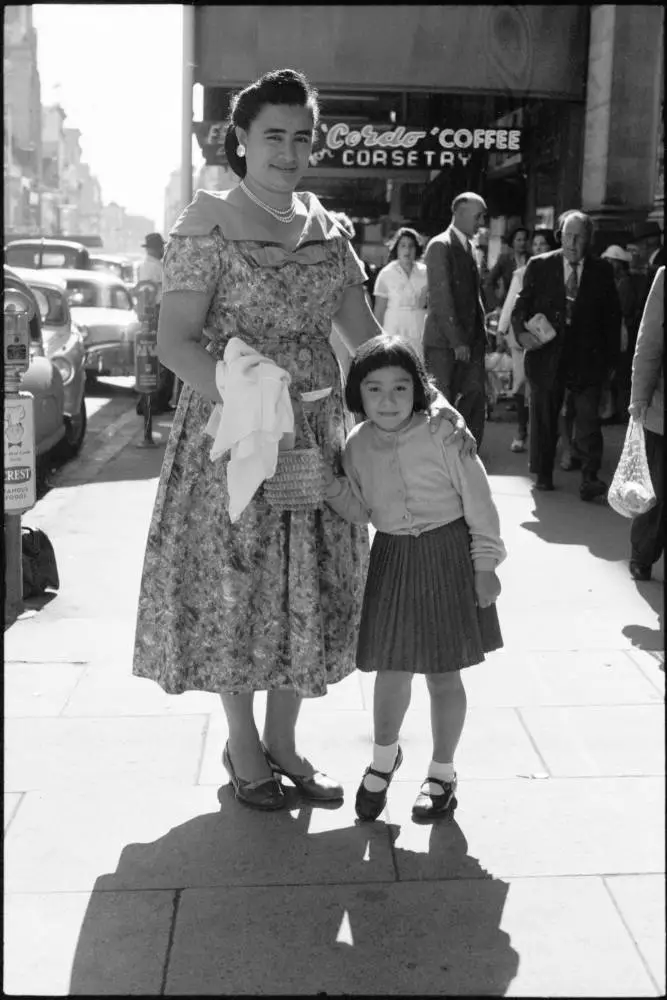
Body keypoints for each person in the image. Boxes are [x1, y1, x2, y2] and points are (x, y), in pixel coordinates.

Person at [132, 68, 474, 813]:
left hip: (316, 434)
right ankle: (243, 744)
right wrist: (256, 399)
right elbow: (174, 343)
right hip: (233, 437)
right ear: (242, 144)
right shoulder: (206, 223)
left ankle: (284, 741)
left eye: (300, 137)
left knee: (306, 587)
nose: (288, 151)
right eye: (272, 136)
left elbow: (367, 338)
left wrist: (433, 399)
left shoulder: (325, 230)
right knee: (235, 587)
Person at [322, 335, 505, 822]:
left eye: (400, 388)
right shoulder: (356, 446)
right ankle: (383, 761)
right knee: (392, 669)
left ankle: (442, 773)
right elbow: (361, 510)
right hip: (394, 559)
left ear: (418, 390)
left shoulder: (446, 433)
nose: (387, 400)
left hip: (449, 557)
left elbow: (479, 501)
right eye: (374, 389)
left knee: (445, 674)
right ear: (357, 394)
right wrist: (332, 487)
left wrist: (485, 566)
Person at [511, 209, 621, 500]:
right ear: (560, 236)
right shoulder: (540, 266)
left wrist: (611, 364)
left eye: (579, 237)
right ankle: (544, 474)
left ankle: (590, 476)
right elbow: (521, 308)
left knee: (587, 419)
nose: (572, 243)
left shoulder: (601, 271)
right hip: (548, 357)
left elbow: (612, 318)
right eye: (567, 236)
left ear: (589, 240)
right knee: (546, 418)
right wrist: (522, 334)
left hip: (587, 359)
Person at [423, 192, 489, 448]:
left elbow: (475, 298)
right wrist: (457, 340)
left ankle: (468, 455)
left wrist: (479, 337)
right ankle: (438, 460)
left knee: (474, 397)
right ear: (459, 213)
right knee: (442, 402)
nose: (481, 222)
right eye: (478, 215)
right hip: (444, 342)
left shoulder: (470, 248)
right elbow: (441, 298)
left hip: (469, 341)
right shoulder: (440, 245)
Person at [497, 228, 557, 453]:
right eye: (537, 244)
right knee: (522, 384)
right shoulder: (522, 273)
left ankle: (548, 438)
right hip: (521, 337)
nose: (540, 248)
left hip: (550, 338)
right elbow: (511, 303)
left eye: (544, 244)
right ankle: (521, 432)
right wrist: (501, 331)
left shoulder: (559, 273)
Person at [627, 266, 664, 581]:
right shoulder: (665, 278)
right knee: (656, 490)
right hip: (663, 409)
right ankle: (643, 553)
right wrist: (639, 398)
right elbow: (649, 344)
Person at [372, 227, 428, 358]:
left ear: (417, 249)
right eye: (403, 246)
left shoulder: (426, 272)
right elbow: (379, 312)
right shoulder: (386, 274)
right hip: (393, 330)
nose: (407, 250)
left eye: (411, 246)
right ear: (396, 248)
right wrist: (376, 342)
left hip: (419, 330)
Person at [600, 245, 636, 422]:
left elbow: (623, 308)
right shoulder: (613, 281)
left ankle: (617, 410)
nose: (608, 263)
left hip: (620, 330)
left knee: (618, 372)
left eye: (611, 260)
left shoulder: (624, 283)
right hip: (612, 329)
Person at [485, 225, 530, 310]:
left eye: (524, 240)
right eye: (519, 240)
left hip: (527, 305)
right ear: (512, 242)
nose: (522, 243)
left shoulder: (531, 259)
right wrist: (495, 305)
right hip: (507, 304)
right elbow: (488, 282)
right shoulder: (504, 260)